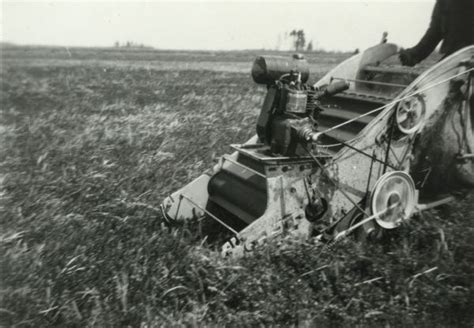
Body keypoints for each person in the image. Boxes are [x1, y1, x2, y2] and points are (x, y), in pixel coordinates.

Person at [399, 0, 474, 66]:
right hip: (456, 57)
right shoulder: (444, 2)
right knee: (432, 81)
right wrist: (413, 55)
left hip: (466, 55)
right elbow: (435, 31)